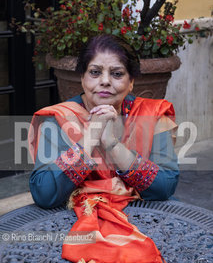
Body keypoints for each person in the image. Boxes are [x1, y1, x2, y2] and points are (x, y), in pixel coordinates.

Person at [29, 34, 179, 263]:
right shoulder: (58, 120)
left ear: (131, 82)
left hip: (145, 217)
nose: (105, 81)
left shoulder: (151, 115)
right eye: (95, 72)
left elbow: (165, 186)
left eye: (117, 74)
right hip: (72, 221)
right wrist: (91, 136)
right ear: (82, 78)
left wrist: (111, 143)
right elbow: (44, 193)